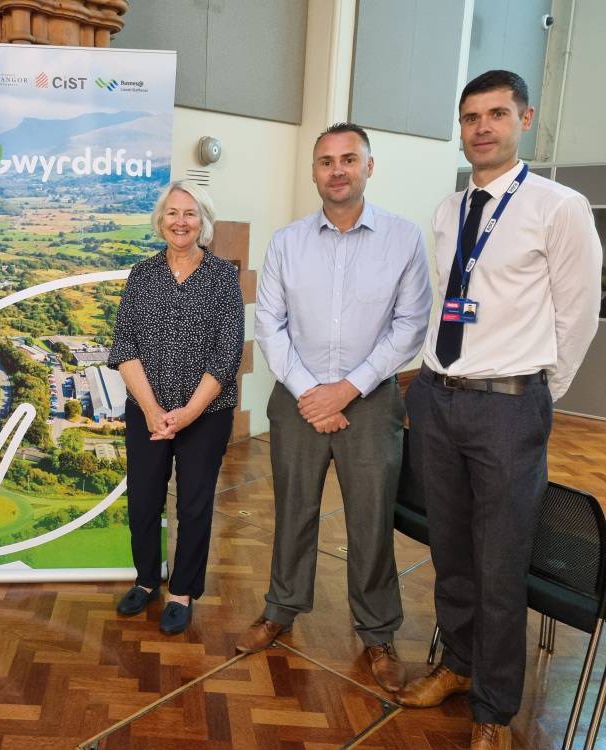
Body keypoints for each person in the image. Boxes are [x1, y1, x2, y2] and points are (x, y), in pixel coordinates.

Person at [395, 71, 602, 750]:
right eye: (470, 117)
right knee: (450, 552)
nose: (481, 127)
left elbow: (576, 315)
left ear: (525, 119)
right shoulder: (449, 211)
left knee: (502, 562)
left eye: (495, 114)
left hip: (508, 408)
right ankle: (456, 664)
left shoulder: (559, 206)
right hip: (437, 397)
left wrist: (533, 393)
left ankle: (494, 704)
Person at [237, 123, 431, 694]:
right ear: (315, 172)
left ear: (370, 167)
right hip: (297, 400)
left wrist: (346, 390)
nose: (337, 169)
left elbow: (410, 325)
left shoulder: (403, 238)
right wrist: (308, 392)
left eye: (349, 159)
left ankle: (377, 633)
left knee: (371, 522)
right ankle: (280, 609)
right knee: (293, 511)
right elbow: (269, 325)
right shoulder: (287, 242)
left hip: (370, 404)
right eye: (326, 161)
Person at [108, 180, 244, 635]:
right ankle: (147, 580)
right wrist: (150, 410)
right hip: (146, 410)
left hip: (205, 415)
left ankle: (182, 591)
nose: (180, 221)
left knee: (194, 504)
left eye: (189, 213)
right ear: (160, 221)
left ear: (203, 220)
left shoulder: (223, 277)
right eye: (172, 213)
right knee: (144, 501)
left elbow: (227, 356)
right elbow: (124, 345)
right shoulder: (142, 275)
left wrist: (187, 413)